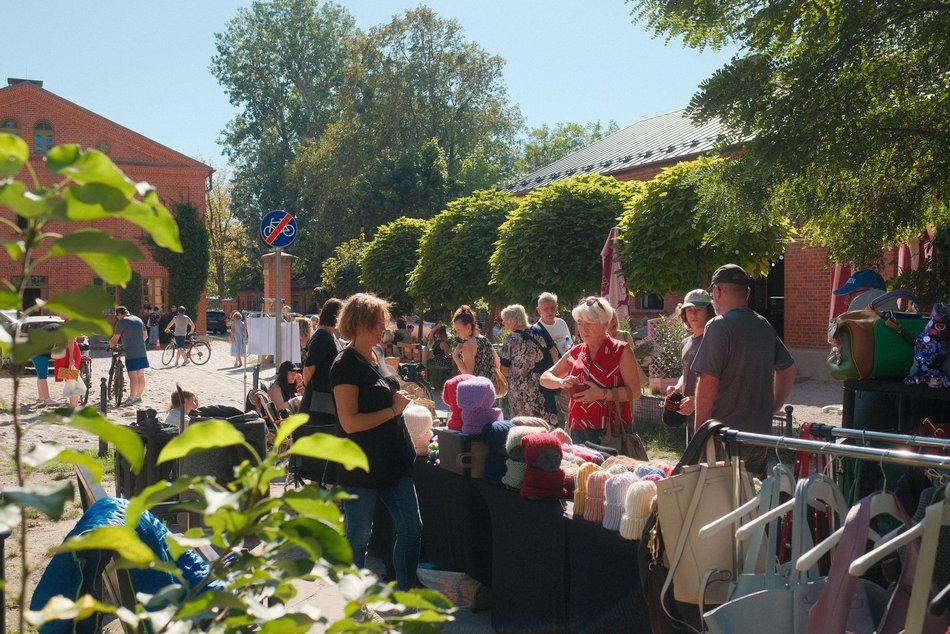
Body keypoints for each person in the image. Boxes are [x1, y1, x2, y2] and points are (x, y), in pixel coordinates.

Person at [330, 293, 420, 591]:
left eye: (383, 322)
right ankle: (354, 599)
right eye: (376, 323)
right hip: (360, 464)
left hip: (394, 459)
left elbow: (385, 393)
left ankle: (406, 589)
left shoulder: (377, 355)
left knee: (411, 527)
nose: (382, 328)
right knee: (358, 535)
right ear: (357, 324)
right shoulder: (344, 365)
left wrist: (399, 400)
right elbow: (350, 423)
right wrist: (393, 410)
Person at [691, 264, 797, 478]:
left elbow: (708, 385)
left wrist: (699, 436)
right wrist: (771, 409)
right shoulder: (764, 325)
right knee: (755, 500)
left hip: (724, 436)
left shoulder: (717, 327)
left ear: (717, 291)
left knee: (723, 504)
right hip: (759, 436)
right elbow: (788, 369)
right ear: (747, 292)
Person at [540, 297, 642, 444]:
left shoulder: (621, 350)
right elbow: (545, 377)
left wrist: (602, 394)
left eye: (589, 323)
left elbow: (635, 391)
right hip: (578, 427)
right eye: (580, 324)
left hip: (612, 430)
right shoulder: (576, 352)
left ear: (605, 322)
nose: (583, 329)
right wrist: (561, 382)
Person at [500, 304, 558, 426]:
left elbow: (504, 369)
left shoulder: (510, 339)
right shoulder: (540, 330)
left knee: (524, 426)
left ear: (512, 320)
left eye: (504, 320)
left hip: (521, 392)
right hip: (543, 385)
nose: (503, 323)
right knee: (545, 423)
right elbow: (554, 353)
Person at [666, 289, 716, 426]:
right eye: (689, 310)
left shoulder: (715, 341)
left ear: (709, 312)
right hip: (689, 416)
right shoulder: (685, 342)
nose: (693, 314)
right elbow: (687, 370)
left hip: (712, 417)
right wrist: (677, 387)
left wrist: (696, 400)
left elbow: (723, 378)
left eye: (698, 310)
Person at [301, 298, 344, 429]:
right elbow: (309, 367)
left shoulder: (330, 335)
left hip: (327, 396)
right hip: (320, 398)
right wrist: (304, 384)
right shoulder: (321, 336)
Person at [108, 306, 148, 406]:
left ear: (119, 314)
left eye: (116, 317)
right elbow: (145, 336)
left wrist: (109, 345)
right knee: (141, 374)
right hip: (142, 351)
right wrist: (138, 342)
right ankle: (139, 396)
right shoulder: (139, 319)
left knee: (133, 376)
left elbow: (115, 338)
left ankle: (132, 397)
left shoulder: (122, 321)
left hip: (131, 352)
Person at [451, 305, 498, 381]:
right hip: (490, 388)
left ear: (468, 327)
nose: (457, 334)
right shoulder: (485, 339)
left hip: (477, 389)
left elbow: (468, 375)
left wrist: (455, 356)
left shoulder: (468, 344)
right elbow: (498, 363)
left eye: (458, 330)